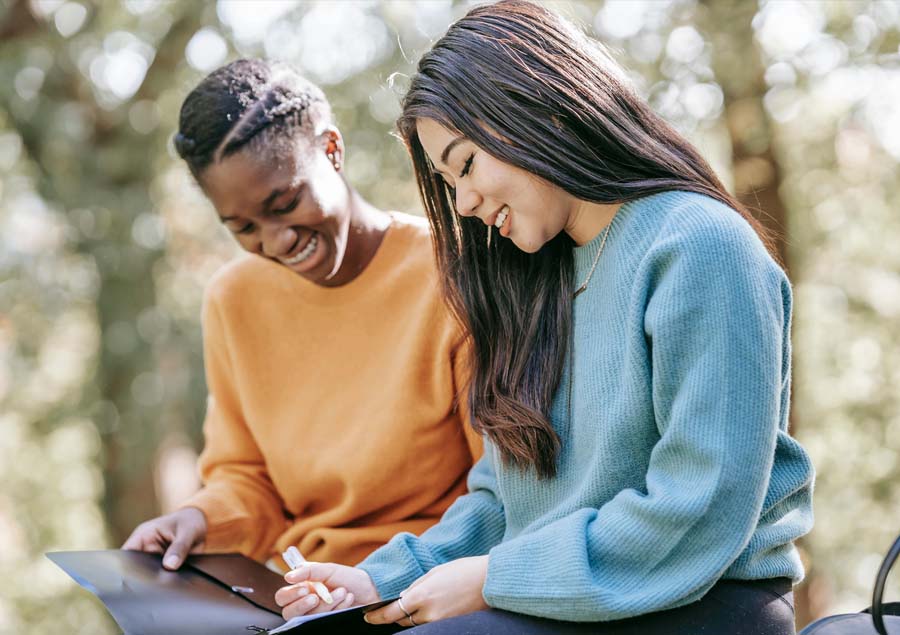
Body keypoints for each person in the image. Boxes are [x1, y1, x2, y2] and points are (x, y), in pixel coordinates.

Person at [274, 2, 815, 634]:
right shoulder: (538, 279)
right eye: (449, 183)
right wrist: (377, 579)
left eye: (466, 164)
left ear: (543, 111)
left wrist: (492, 580)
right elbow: (508, 497)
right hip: (564, 599)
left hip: (699, 602)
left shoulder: (698, 247)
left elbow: (698, 507)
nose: (465, 204)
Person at [122, 59, 481, 588]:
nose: (275, 242)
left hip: (433, 585)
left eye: (285, 203)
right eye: (243, 227)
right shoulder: (233, 300)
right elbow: (248, 478)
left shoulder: (452, 276)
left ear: (332, 150)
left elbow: (500, 493)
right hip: (305, 594)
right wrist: (199, 519)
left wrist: (379, 582)